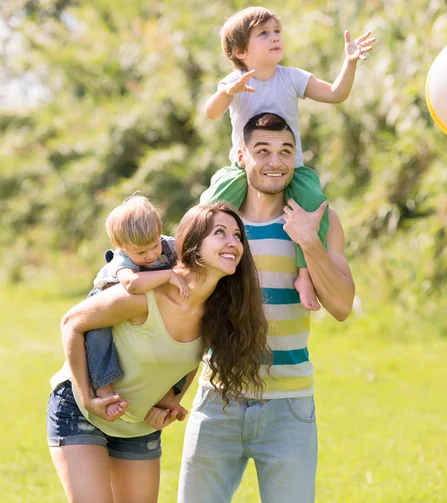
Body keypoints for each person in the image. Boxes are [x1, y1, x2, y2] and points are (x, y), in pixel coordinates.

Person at [179, 113, 355, 503]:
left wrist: (309, 242)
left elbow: (341, 306)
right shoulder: (218, 231)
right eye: (263, 151)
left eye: (285, 152)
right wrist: (173, 389)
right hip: (216, 400)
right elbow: (186, 309)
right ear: (241, 156)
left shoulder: (321, 222)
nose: (275, 161)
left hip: (288, 407)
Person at [47, 202, 269, 503]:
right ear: (191, 245)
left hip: (138, 425)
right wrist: (87, 395)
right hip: (80, 412)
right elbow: (72, 323)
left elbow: (191, 360)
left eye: (237, 235)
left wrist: (170, 399)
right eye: (220, 232)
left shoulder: (215, 312)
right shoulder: (144, 294)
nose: (233, 242)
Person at [201, 6, 373, 312]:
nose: (274, 38)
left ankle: (304, 274)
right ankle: (190, 267)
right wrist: (228, 92)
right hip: (243, 168)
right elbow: (211, 113)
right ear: (240, 50)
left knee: (312, 203)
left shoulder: (292, 77)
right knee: (209, 208)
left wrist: (349, 63)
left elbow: (335, 94)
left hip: (292, 167)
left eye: (277, 31)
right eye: (263, 34)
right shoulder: (235, 82)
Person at [85, 194, 190, 418]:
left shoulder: (168, 246)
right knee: (98, 335)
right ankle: (103, 388)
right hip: (109, 297)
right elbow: (132, 284)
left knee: (184, 336)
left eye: (154, 246)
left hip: (148, 304)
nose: (151, 255)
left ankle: (169, 393)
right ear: (120, 247)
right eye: (141, 253)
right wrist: (168, 275)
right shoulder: (122, 259)